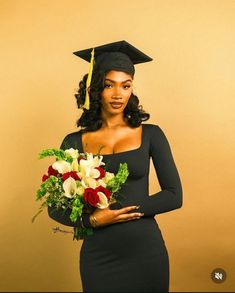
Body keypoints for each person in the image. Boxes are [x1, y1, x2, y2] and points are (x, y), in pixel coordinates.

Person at [48, 40, 183, 292]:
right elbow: (54, 209)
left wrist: (118, 213)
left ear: (132, 89)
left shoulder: (152, 134)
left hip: (146, 253)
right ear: (95, 89)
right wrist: (94, 220)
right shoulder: (73, 141)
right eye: (109, 85)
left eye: (126, 85)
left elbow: (174, 196)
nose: (118, 94)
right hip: (98, 256)